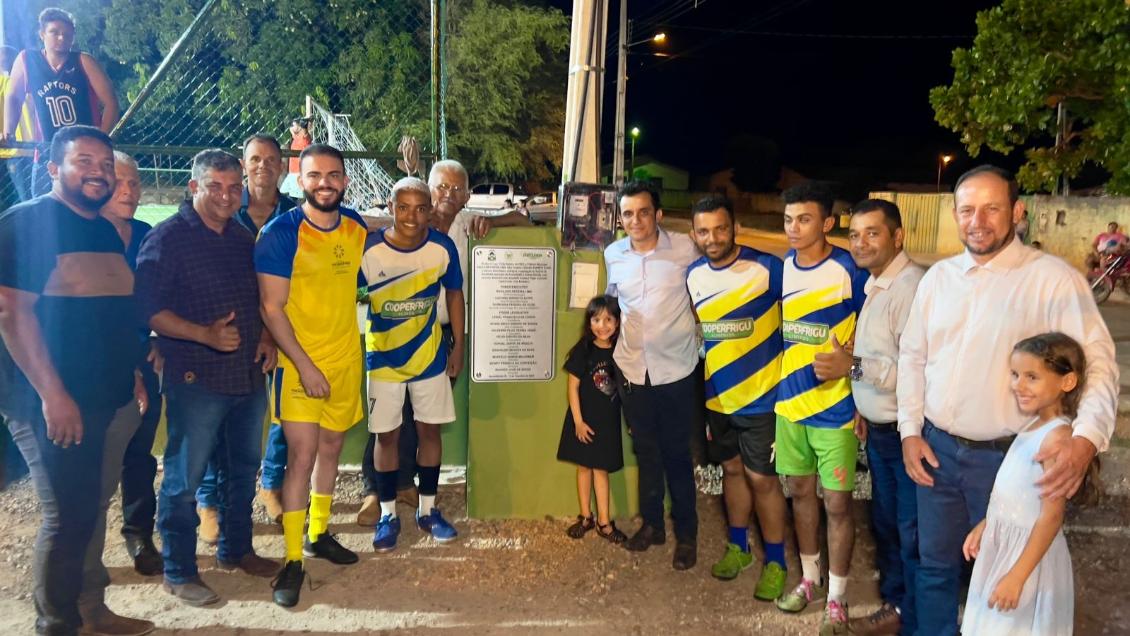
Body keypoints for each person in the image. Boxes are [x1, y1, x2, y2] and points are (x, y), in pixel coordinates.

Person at [898, 165, 1118, 636]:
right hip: (936, 452)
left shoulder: (1053, 280)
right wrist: (910, 431)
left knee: (1008, 578)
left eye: (992, 208)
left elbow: (1097, 362)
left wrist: (1084, 442)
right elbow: (914, 356)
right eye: (967, 210)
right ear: (955, 215)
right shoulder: (938, 279)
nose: (978, 221)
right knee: (934, 566)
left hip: (1008, 460)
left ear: (1017, 212)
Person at [0, 125, 146, 635]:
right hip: (52, 401)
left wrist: (130, 369)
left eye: (106, 165)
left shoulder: (102, 228)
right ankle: (56, 625)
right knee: (66, 517)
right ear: (52, 167)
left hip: (105, 393)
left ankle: (91, 611)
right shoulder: (28, 223)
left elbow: (110, 308)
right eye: (84, 161)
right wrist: (53, 394)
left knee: (87, 509)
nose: (99, 173)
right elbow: (12, 314)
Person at [136, 149, 280, 606]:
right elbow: (147, 309)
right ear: (194, 187)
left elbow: (257, 298)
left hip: (247, 376)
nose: (226, 195)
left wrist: (265, 340)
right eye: (215, 186)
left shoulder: (242, 238)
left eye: (234, 187)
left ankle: (235, 550)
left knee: (242, 470)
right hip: (196, 379)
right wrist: (202, 334)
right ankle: (179, 571)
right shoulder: (167, 238)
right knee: (184, 477)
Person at [357, 159, 530, 525]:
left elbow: (523, 220)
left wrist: (493, 221)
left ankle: (410, 487)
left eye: (457, 189)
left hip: (443, 334)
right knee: (387, 420)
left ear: (467, 195)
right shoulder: (408, 226)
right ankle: (376, 491)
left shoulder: (468, 225)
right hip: (395, 335)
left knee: (424, 419)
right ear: (428, 188)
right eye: (441, 187)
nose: (448, 195)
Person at [257, 143, 368, 607]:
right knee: (300, 457)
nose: (325, 182)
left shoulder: (356, 226)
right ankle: (291, 559)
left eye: (334, 174)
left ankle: (318, 533)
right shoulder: (280, 233)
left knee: (332, 448)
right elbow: (271, 308)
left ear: (344, 180)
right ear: (298, 179)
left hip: (346, 359)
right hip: (300, 365)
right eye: (315, 175)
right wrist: (304, 365)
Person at [773, 181, 868, 635]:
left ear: (828, 223)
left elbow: (877, 334)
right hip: (789, 408)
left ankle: (837, 597)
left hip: (836, 410)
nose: (793, 228)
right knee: (801, 496)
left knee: (838, 505)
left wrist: (862, 394)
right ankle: (809, 579)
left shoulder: (851, 270)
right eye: (788, 219)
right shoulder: (781, 270)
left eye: (804, 219)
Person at [685, 195, 789, 599]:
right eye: (704, 231)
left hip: (763, 399)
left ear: (735, 228)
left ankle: (777, 561)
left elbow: (798, 315)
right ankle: (739, 547)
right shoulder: (693, 275)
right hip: (717, 399)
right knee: (731, 472)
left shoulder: (768, 268)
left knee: (762, 479)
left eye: (720, 228)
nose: (713, 238)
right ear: (694, 234)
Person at [195, 134, 297, 533]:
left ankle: (271, 486)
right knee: (216, 418)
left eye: (272, 160)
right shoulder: (221, 209)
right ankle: (209, 502)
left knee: (285, 414)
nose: (263, 166)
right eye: (256, 159)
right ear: (243, 163)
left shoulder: (296, 214)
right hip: (228, 334)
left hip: (282, 330)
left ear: (283, 166)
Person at [833, 200, 926, 636]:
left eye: (873, 233)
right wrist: (863, 405)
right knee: (888, 521)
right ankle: (897, 601)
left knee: (909, 528)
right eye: (855, 234)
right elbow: (879, 356)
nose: (861, 242)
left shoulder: (908, 288)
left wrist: (849, 368)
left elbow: (912, 369)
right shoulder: (878, 284)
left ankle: (909, 612)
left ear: (898, 236)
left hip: (906, 434)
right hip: (881, 427)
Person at [363, 177, 465, 552]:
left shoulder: (442, 246)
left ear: (429, 209)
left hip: (429, 357)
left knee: (429, 435)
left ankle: (428, 509)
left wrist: (459, 347)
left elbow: (455, 295)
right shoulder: (369, 249)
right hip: (384, 359)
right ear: (391, 208)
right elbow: (349, 294)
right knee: (386, 436)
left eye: (420, 208)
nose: (411, 216)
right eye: (403, 207)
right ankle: (388, 514)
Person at [604, 180, 700, 570]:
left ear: (658, 214)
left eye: (644, 212)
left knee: (677, 454)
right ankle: (653, 526)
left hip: (676, 370)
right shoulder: (614, 254)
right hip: (632, 369)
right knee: (646, 452)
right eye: (628, 214)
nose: (636, 220)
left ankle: (687, 535)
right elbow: (612, 304)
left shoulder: (684, 248)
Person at [961, 333, 1084, 635]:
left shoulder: (1056, 438)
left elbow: (1051, 515)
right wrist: (988, 523)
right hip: (1004, 549)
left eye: (1032, 377)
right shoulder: (1032, 425)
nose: (1018, 384)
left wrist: (1017, 576)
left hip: (1027, 560)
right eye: (1016, 375)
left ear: (1066, 382)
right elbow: (1016, 494)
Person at [99, 152, 166, 579]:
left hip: (144, 353)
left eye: (136, 183)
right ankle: (81, 550)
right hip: (94, 358)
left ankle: (139, 533)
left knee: (140, 453)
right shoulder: (81, 233)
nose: (130, 191)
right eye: (120, 182)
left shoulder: (148, 235)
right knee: (92, 457)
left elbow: (165, 293)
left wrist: (161, 337)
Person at [2, 8, 119, 198]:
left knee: (88, 205)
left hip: (84, 152)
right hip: (48, 150)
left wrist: (101, 139)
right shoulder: (27, 60)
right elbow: (14, 97)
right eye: (54, 32)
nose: (61, 38)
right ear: (42, 34)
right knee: (43, 207)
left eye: (67, 34)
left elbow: (111, 102)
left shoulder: (83, 61)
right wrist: (8, 131)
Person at [556, 295, 627, 544]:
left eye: (609, 319)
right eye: (597, 319)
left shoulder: (622, 352)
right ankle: (586, 516)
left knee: (601, 470)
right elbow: (572, 387)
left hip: (607, 424)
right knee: (584, 467)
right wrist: (577, 421)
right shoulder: (583, 350)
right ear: (589, 322)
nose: (603, 325)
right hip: (582, 422)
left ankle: (604, 522)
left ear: (617, 323)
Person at [1, 44, 34, 203]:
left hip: (10, 149)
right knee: (28, 199)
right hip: (28, 148)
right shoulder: (28, 82)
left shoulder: (7, 83)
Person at [279, 117, 310, 200]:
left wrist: (302, 124)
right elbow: (291, 130)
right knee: (282, 193)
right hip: (292, 172)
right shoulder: (296, 137)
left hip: (298, 173)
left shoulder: (304, 137)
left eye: (294, 125)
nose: (292, 127)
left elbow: (304, 131)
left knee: (294, 198)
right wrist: (295, 126)